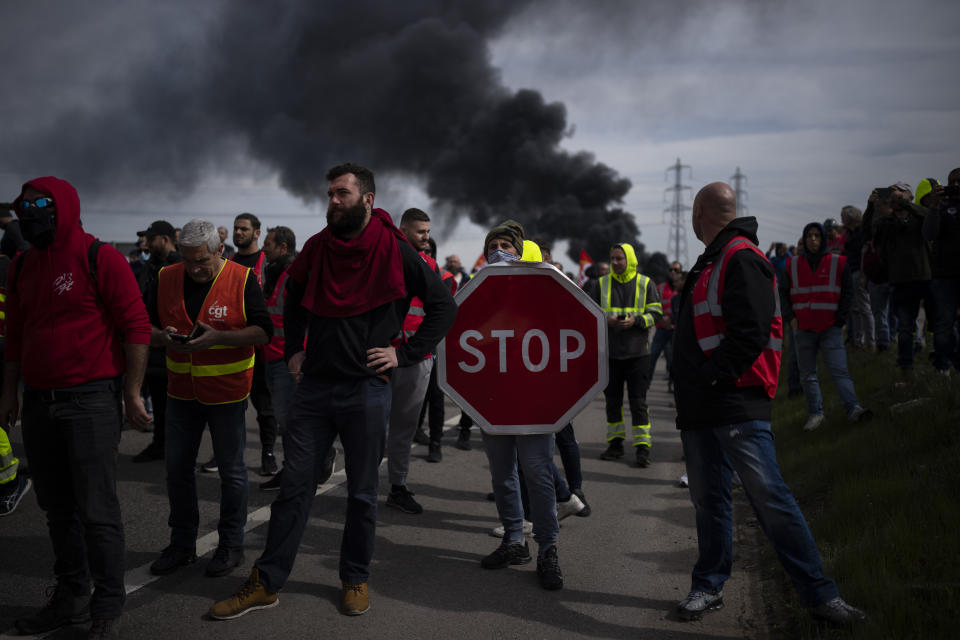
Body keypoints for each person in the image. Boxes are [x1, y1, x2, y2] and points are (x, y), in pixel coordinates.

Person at [209, 163, 456, 619]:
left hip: (367, 390)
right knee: (294, 489)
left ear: (368, 199)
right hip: (315, 389)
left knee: (361, 494)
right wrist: (294, 352)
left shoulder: (396, 249)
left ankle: (355, 577)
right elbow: (295, 295)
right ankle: (266, 581)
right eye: (329, 195)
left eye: (342, 194)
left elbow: (444, 306)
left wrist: (404, 355)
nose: (332, 202)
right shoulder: (318, 247)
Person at [672, 182, 864, 625]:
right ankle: (708, 585)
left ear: (700, 211)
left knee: (770, 499)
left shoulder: (740, 257)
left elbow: (751, 332)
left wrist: (710, 377)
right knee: (710, 501)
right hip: (704, 408)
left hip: (735, 403)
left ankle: (820, 596)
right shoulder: (714, 259)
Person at [1, 177, 152, 638]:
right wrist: (10, 393)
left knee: (96, 509)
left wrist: (130, 393)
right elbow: (16, 336)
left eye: (39, 204)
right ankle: (69, 598)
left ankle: (106, 603)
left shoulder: (98, 256)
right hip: (41, 407)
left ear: (64, 206)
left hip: (90, 403)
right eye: (21, 207)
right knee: (57, 509)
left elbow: (137, 326)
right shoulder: (23, 264)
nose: (28, 214)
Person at [146, 219, 271, 578]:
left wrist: (219, 337)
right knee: (177, 471)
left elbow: (264, 332)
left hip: (227, 394)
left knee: (232, 474)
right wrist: (162, 337)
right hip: (180, 393)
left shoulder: (242, 278)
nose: (195, 269)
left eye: (202, 261)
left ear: (220, 249)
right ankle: (181, 544)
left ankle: (231, 545)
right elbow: (141, 326)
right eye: (188, 261)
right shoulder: (166, 277)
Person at [476, 221, 566, 591]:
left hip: (534, 399)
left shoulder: (546, 287)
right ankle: (514, 540)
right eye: (493, 244)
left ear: (520, 250)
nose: (499, 250)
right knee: (501, 472)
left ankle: (547, 548)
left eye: (506, 245)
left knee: (537, 471)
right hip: (494, 398)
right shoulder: (477, 287)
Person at [259, 226, 338, 491]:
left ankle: (310, 464)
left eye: (268, 243)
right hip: (271, 358)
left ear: (283, 247)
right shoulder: (271, 272)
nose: (263, 248)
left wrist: (301, 357)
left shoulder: (295, 274)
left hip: (290, 362)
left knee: (293, 420)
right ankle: (295, 467)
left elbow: (306, 320)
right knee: (286, 421)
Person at [200, 213, 278, 476]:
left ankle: (268, 454)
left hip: (261, 347)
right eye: (235, 228)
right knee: (227, 405)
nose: (238, 232)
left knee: (264, 406)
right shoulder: (226, 262)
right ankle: (223, 453)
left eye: (243, 229)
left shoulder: (267, 263)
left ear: (257, 233)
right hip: (230, 345)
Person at [384, 207, 447, 513]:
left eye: (428, 231)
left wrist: (418, 351)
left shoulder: (431, 266)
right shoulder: (387, 257)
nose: (426, 237)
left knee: (404, 428)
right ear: (404, 229)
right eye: (421, 231)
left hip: (415, 357)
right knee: (368, 424)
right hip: (384, 353)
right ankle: (365, 486)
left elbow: (441, 312)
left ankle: (397, 486)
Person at [781, 222, 872, 432]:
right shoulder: (792, 265)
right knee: (808, 375)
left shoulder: (838, 263)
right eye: (809, 236)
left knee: (839, 371)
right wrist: (790, 318)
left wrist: (840, 320)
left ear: (823, 239)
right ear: (804, 239)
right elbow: (783, 293)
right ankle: (815, 414)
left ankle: (853, 409)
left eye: (817, 236)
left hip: (830, 328)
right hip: (803, 328)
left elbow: (848, 293)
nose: (813, 239)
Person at [591, 242, 662, 468]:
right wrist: (606, 320)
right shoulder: (600, 284)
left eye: (619, 259)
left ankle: (642, 449)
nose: (615, 263)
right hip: (610, 355)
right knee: (613, 403)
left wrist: (637, 321)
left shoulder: (645, 283)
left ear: (629, 260)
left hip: (638, 354)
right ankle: (615, 445)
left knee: (638, 403)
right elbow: (588, 312)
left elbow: (656, 313)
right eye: (612, 258)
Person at [872, 183, 935, 379]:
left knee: (939, 323)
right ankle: (907, 369)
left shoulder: (918, 216)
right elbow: (873, 236)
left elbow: (929, 218)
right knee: (905, 328)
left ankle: (943, 362)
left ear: (909, 196)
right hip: (900, 281)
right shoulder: (887, 222)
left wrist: (906, 205)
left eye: (899, 194)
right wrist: (871, 206)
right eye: (892, 195)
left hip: (925, 277)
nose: (895, 197)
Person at [132, 220, 181, 463]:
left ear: (164, 239)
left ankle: (178, 448)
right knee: (160, 402)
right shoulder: (148, 266)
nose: (147, 243)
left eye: (151, 239)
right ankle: (160, 445)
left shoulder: (181, 265)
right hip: (152, 345)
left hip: (176, 344)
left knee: (180, 405)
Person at [921, 173, 960, 374]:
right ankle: (944, 366)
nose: (955, 186)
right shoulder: (942, 208)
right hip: (944, 274)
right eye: (952, 182)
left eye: (959, 183)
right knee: (944, 323)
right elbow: (928, 233)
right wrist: (935, 206)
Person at [840, 206, 874, 350]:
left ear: (850, 217)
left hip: (859, 272)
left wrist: (863, 274)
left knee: (864, 307)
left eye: (843, 216)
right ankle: (858, 340)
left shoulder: (861, 233)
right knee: (854, 308)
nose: (841, 219)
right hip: (850, 271)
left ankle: (870, 341)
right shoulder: (848, 233)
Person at [648, 261, 681, 393]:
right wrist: (661, 319)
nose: (673, 272)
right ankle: (645, 384)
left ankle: (672, 386)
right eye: (671, 269)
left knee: (672, 361)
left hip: (674, 331)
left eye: (676, 270)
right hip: (661, 329)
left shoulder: (682, 289)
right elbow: (654, 306)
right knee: (652, 357)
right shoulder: (660, 288)